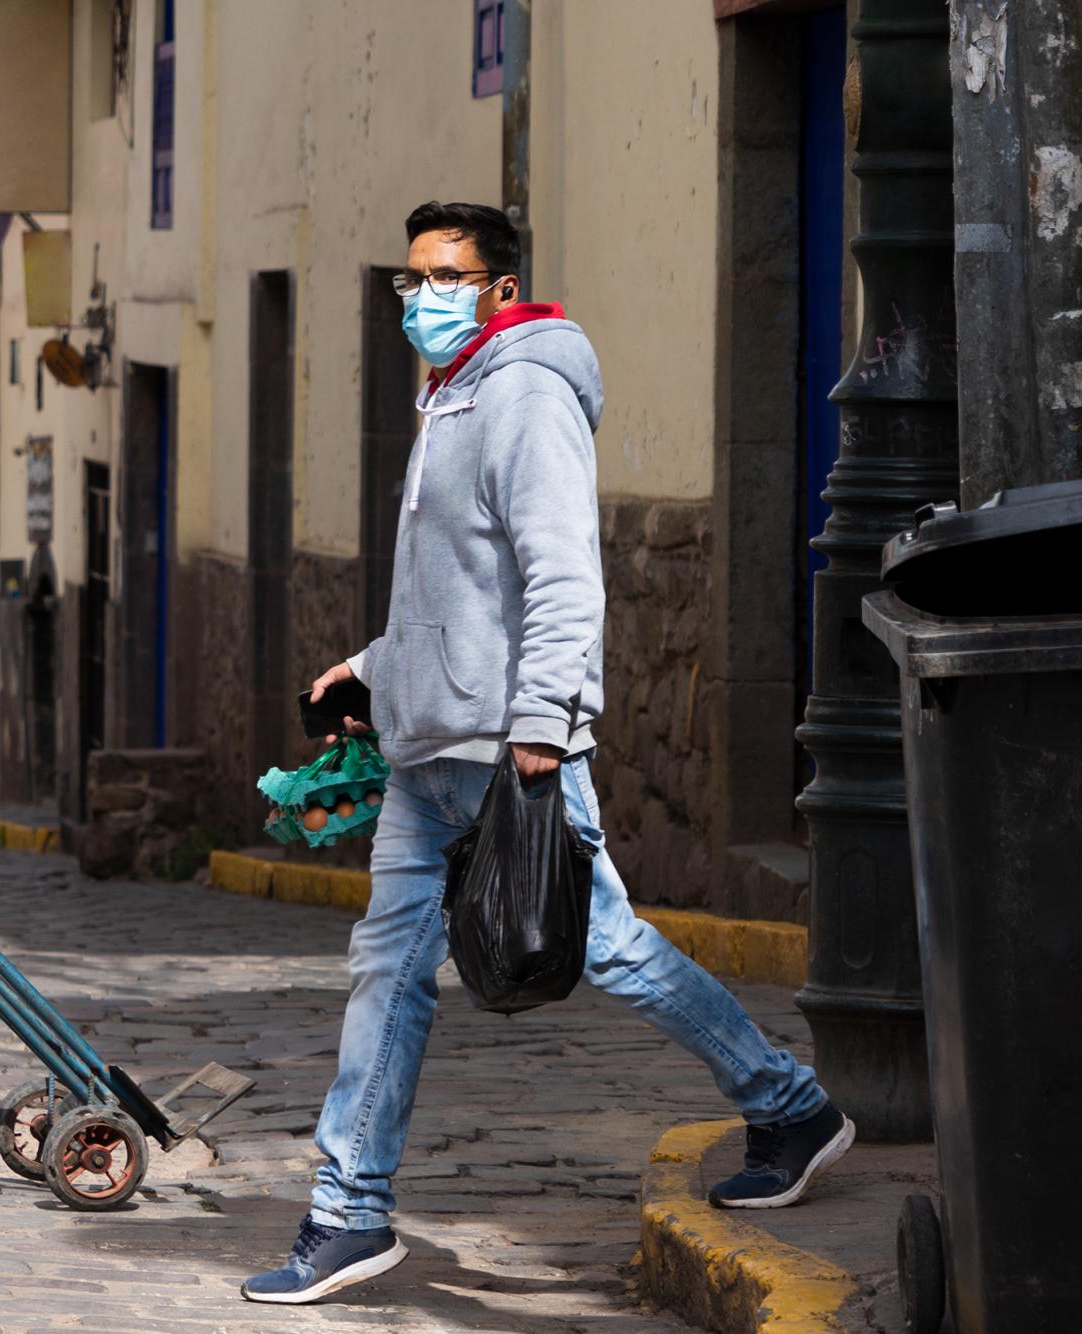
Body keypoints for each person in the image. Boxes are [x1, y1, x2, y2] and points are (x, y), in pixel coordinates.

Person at [241, 204, 852, 1305]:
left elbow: (562, 571)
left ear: (500, 285)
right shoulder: (450, 394)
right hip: (429, 752)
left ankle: (788, 1101)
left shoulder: (524, 391)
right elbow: (457, 589)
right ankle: (349, 1212)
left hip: (506, 749)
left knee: (604, 946)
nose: (422, 297)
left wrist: (538, 725)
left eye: (447, 275)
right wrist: (369, 664)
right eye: (409, 279)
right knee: (387, 972)